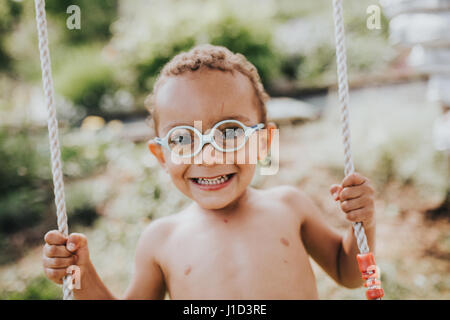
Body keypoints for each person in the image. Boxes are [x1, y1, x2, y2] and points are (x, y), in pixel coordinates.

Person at [42, 45, 376, 299]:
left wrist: (362, 224)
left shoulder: (290, 207)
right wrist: (80, 275)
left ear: (264, 143)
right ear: (161, 155)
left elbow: (350, 274)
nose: (210, 156)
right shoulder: (161, 240)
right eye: (182, 138)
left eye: (229, 132)